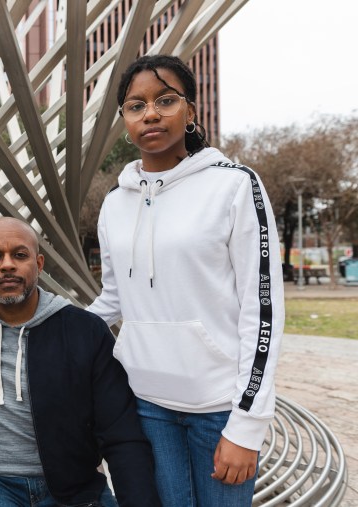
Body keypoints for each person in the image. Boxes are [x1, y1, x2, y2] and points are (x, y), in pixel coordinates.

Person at [87, 54, 284, 506]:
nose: (150, 113)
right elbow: (114, 299)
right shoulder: (116, 204)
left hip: (218, 410)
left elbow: (263, 310)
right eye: (136, 106)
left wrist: (246, 425)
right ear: (124, 119)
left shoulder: (234, 186)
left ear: (190, 111)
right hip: (143, 405)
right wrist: (47, 324)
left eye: (165, 100)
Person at [0, 217, 160, 507]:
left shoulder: (85, 332)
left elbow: (120, 431)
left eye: (19, 255)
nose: (7, 265)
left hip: (73, 486)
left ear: (39, 264)